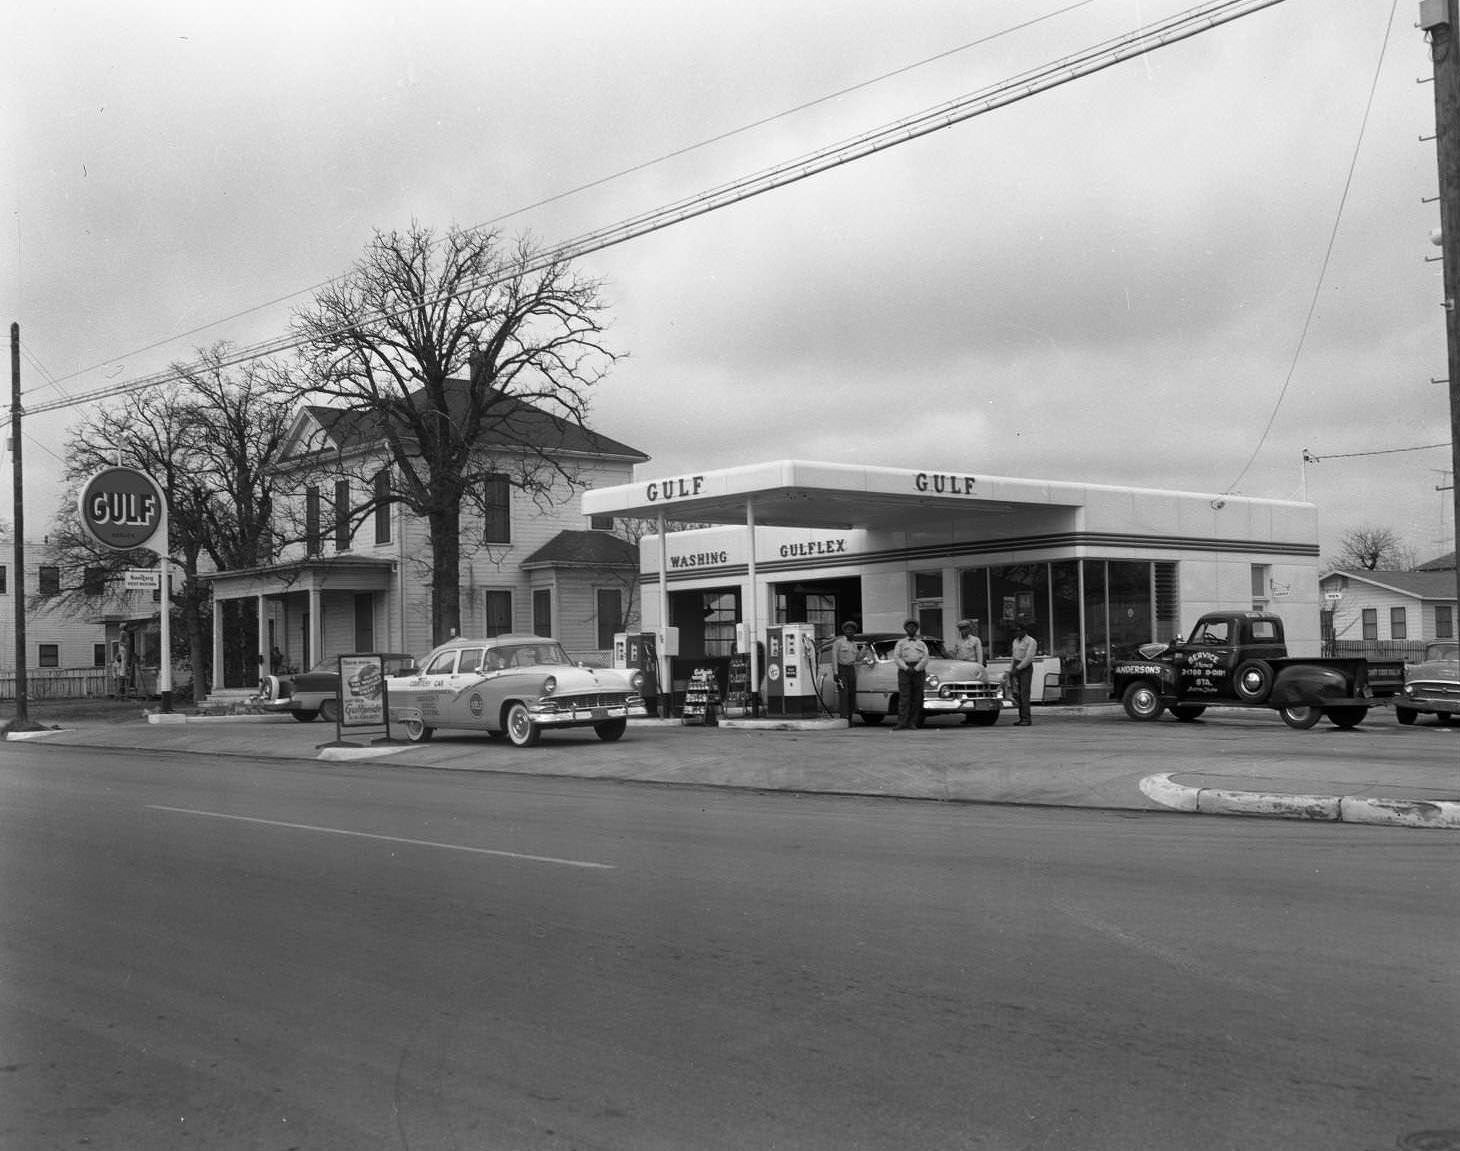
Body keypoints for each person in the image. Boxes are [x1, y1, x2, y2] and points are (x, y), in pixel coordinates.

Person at [892, 617, 930, 730]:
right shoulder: (901, 643)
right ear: (906, 629)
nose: (911, 629)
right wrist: (906, 668)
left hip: (918, 670)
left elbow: (925, 658)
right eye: (909, 627)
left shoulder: (922, 643)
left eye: (914, 627)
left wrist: (917, 668)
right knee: (904, 697)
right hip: (905, 670)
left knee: (916, 697)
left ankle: (912, 722)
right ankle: (901, 722)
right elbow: (897, 657)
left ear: (917, 629)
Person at [948, 619, 987, 724]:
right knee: (964, 692)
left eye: (965, 628)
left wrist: (979, 667)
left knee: (973, 691)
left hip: (972, 666)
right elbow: (955, 655)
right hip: (961, 667)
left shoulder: (975, 640)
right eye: (961, 629)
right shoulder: (958, 641)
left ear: (969, 629)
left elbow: (979, 654)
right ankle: (968, 716)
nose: (963, 631)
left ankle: (975, 717)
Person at [830, 620, 861, 727]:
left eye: (852, 630)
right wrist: (835, 672)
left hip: (851, 669)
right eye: (847, 630)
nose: (850, 632)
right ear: (844, 631)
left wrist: (865, 649)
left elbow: (858, 658)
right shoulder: (838, 642)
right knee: (844, 693)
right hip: (841, 669)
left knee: (852, 694)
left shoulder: (854, 644)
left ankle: (850, 718)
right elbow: (834, 657)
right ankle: (844, 718)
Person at [1010, 618, 1039, 727]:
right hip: (1016, 665)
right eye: (1016, 631)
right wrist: (1011, 669)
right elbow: (1013, 657)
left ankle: (1026, 718)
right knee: (1017, 694)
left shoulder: (1031, 641)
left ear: (1024, 631)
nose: (1017, 633)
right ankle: (1021, 717)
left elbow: (1028, 658)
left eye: (1019, 630)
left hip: (1025, 668)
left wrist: (1018, 668)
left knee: (1024, 694)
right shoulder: (1015, 641)